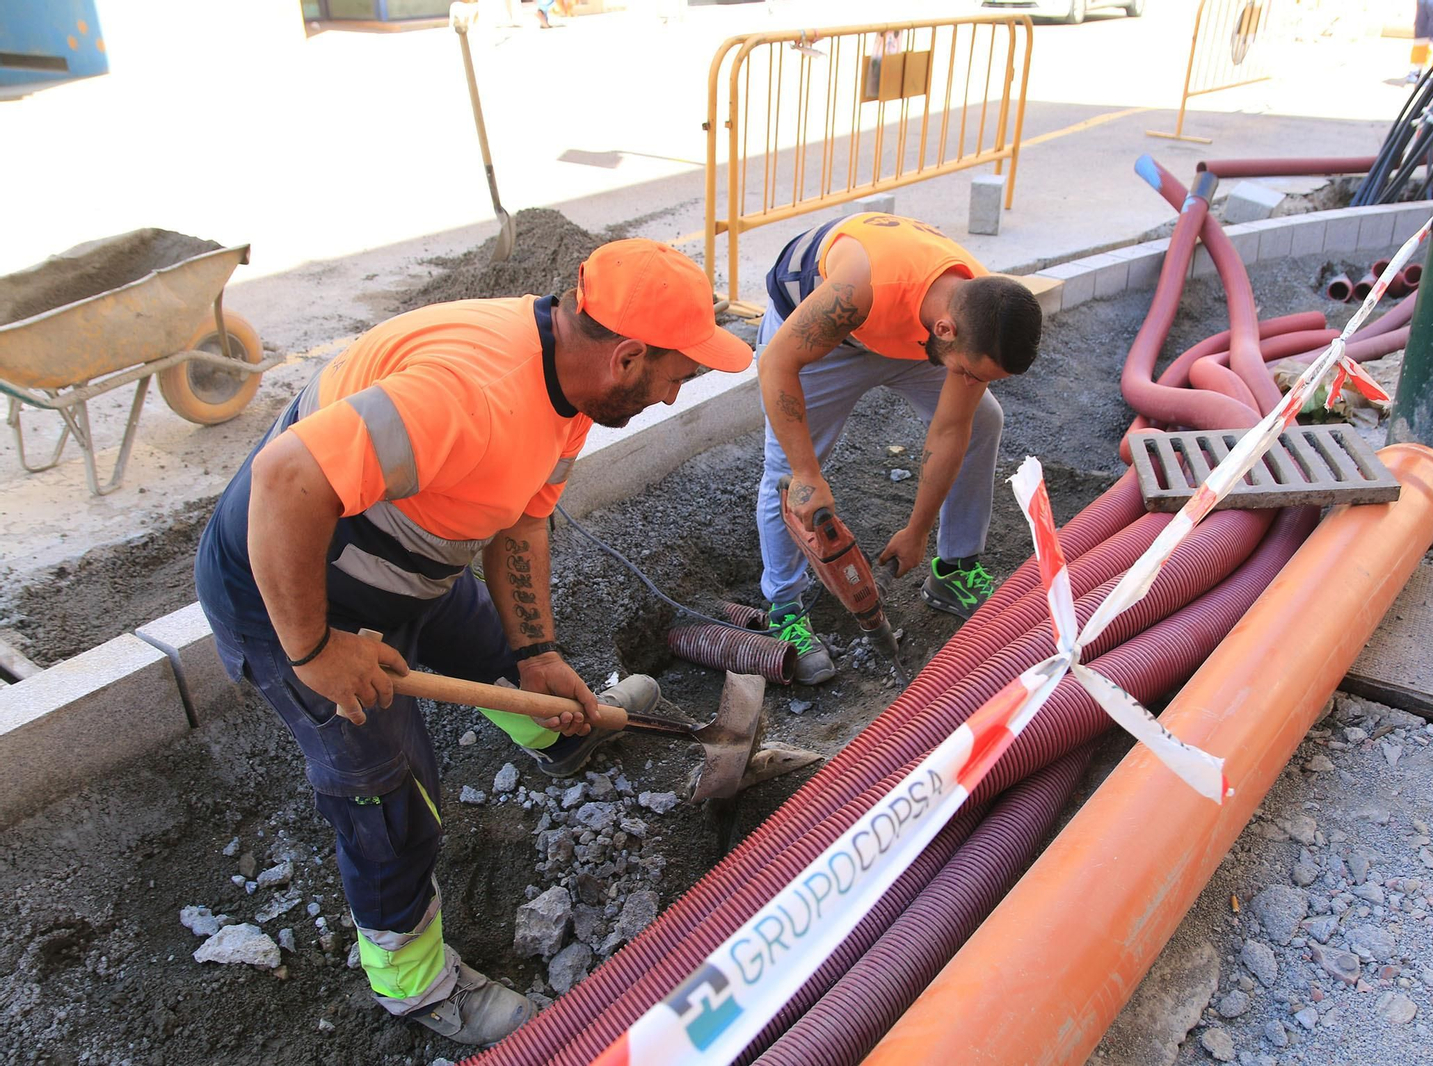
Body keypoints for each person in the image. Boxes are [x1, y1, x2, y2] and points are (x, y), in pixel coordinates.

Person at [193, 239, 751, 1046]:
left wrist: (537, 653)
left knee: (498, 654)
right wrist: (316, 651)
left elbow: (522, 518)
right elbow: (285, 481)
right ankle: (413, 984)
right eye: (678, 374)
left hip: (409, 557)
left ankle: (556, 736)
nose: (674, 394)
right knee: (389, 791)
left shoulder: (569, 384)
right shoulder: (472, 391)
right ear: (628, 356)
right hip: (286, 585)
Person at [754, 212, 1043, 684]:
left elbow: (950, 431)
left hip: (912, 338)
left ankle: (953, 570)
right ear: (947, 330)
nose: (970, 382)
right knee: (786, 471)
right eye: (970, 373)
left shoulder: (976, 312)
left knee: (985, 418)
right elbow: (776, 363)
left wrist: (917, 531)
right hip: (829, 340)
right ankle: (785, 611)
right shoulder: (859, 287)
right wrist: (807, 475)